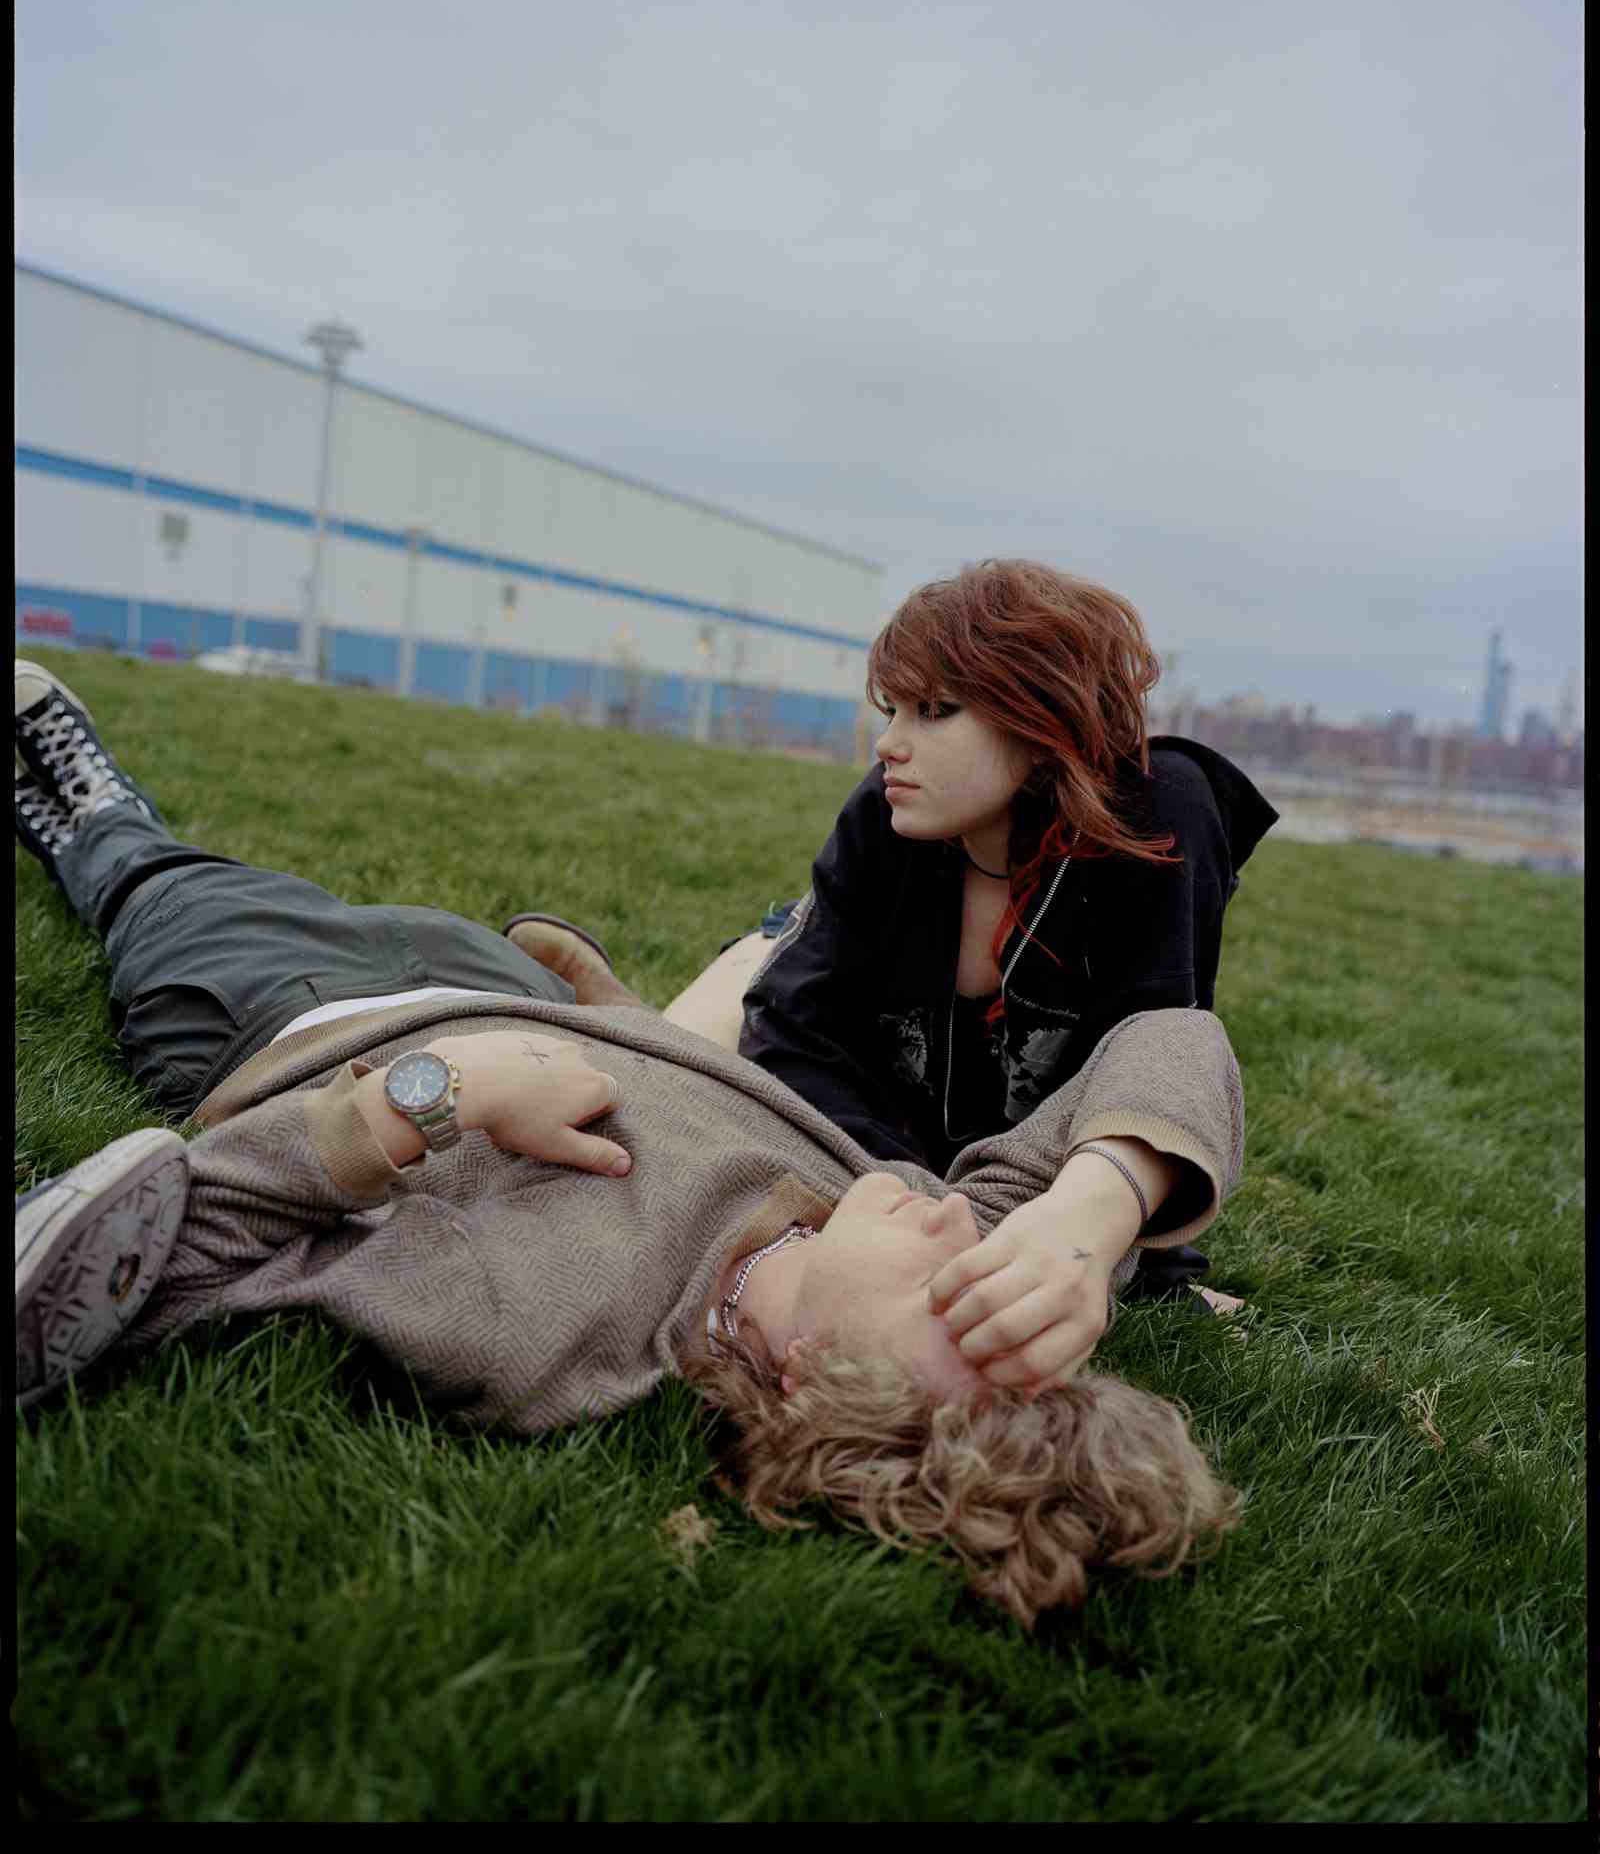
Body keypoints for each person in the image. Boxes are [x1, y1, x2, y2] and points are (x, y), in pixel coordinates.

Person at [14, 657, 1246, 1631]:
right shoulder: (918, 1212)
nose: (954, 1232)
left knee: (157, 880)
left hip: (296, 1014)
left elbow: (181, 1238)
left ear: (818, 1382)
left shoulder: (552, 1328)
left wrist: (435, 1095)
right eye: (1000, 1276)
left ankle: (85, 803)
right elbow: (1171, 1041)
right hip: (508, 986)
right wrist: (1089, 1216)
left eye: (951, 1293)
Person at [683, 559, 1277, 1316]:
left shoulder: (1155, 817)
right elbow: (795, 1032)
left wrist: (1145, 1267)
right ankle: (615, 992)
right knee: (691, 1048)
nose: (888, 744)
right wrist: (913, 1204)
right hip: (869, 1126)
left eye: (934, 710)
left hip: (1005, 1177)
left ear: (1042, 720)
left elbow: (1152, 1063)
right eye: (891, 709)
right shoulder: (886, 814)